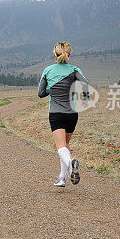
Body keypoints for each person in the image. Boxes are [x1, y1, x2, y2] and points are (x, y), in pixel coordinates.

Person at [37, 41, 89, 187]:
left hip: (56, 113)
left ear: (55, 54)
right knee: (65, 146)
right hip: (72, 114)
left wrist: (51, 88)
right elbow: (86, 86)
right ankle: (61, 177)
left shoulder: (48, 70)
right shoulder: (74, 69)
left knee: (60, 146)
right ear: (69, 54)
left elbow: (41, 93)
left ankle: (71, 165)